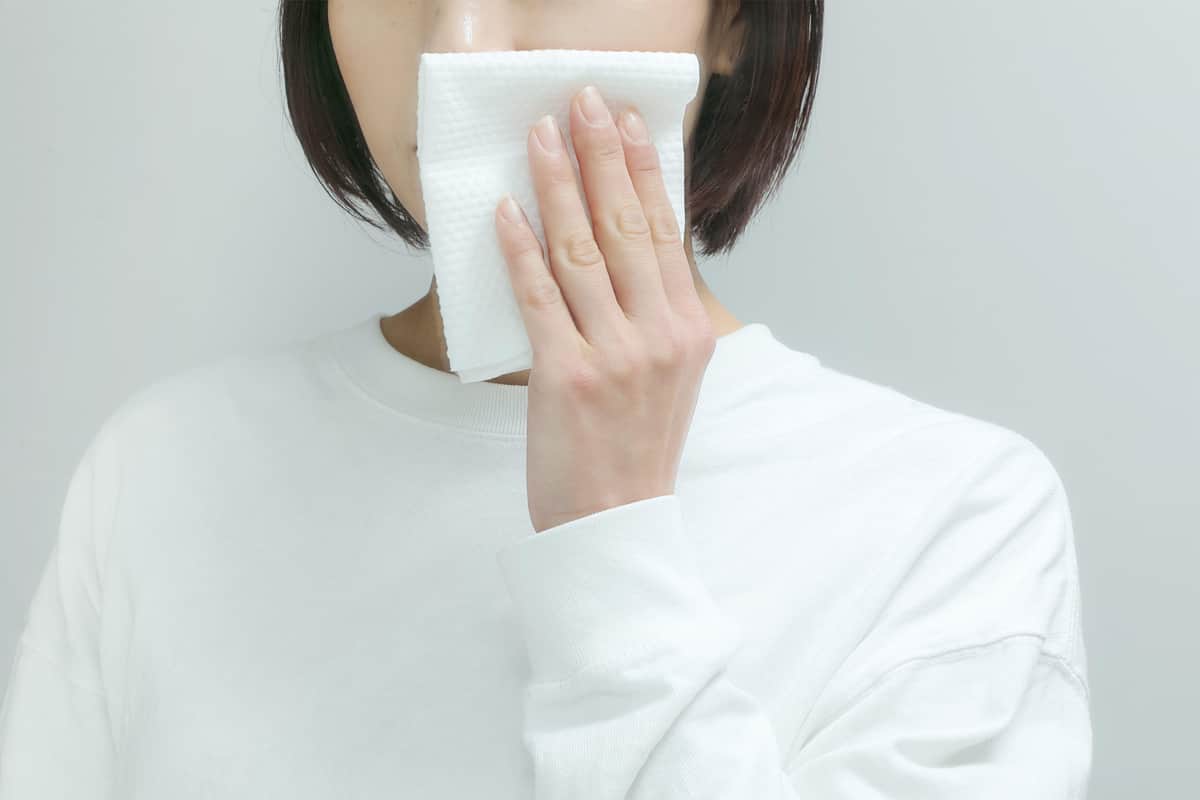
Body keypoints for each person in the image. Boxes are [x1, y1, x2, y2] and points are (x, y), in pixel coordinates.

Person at [0, 1, 1092, 797]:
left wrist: (611, 537)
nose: (460, 47)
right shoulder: (163, 475)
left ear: (734, 22)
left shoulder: (952, 521)